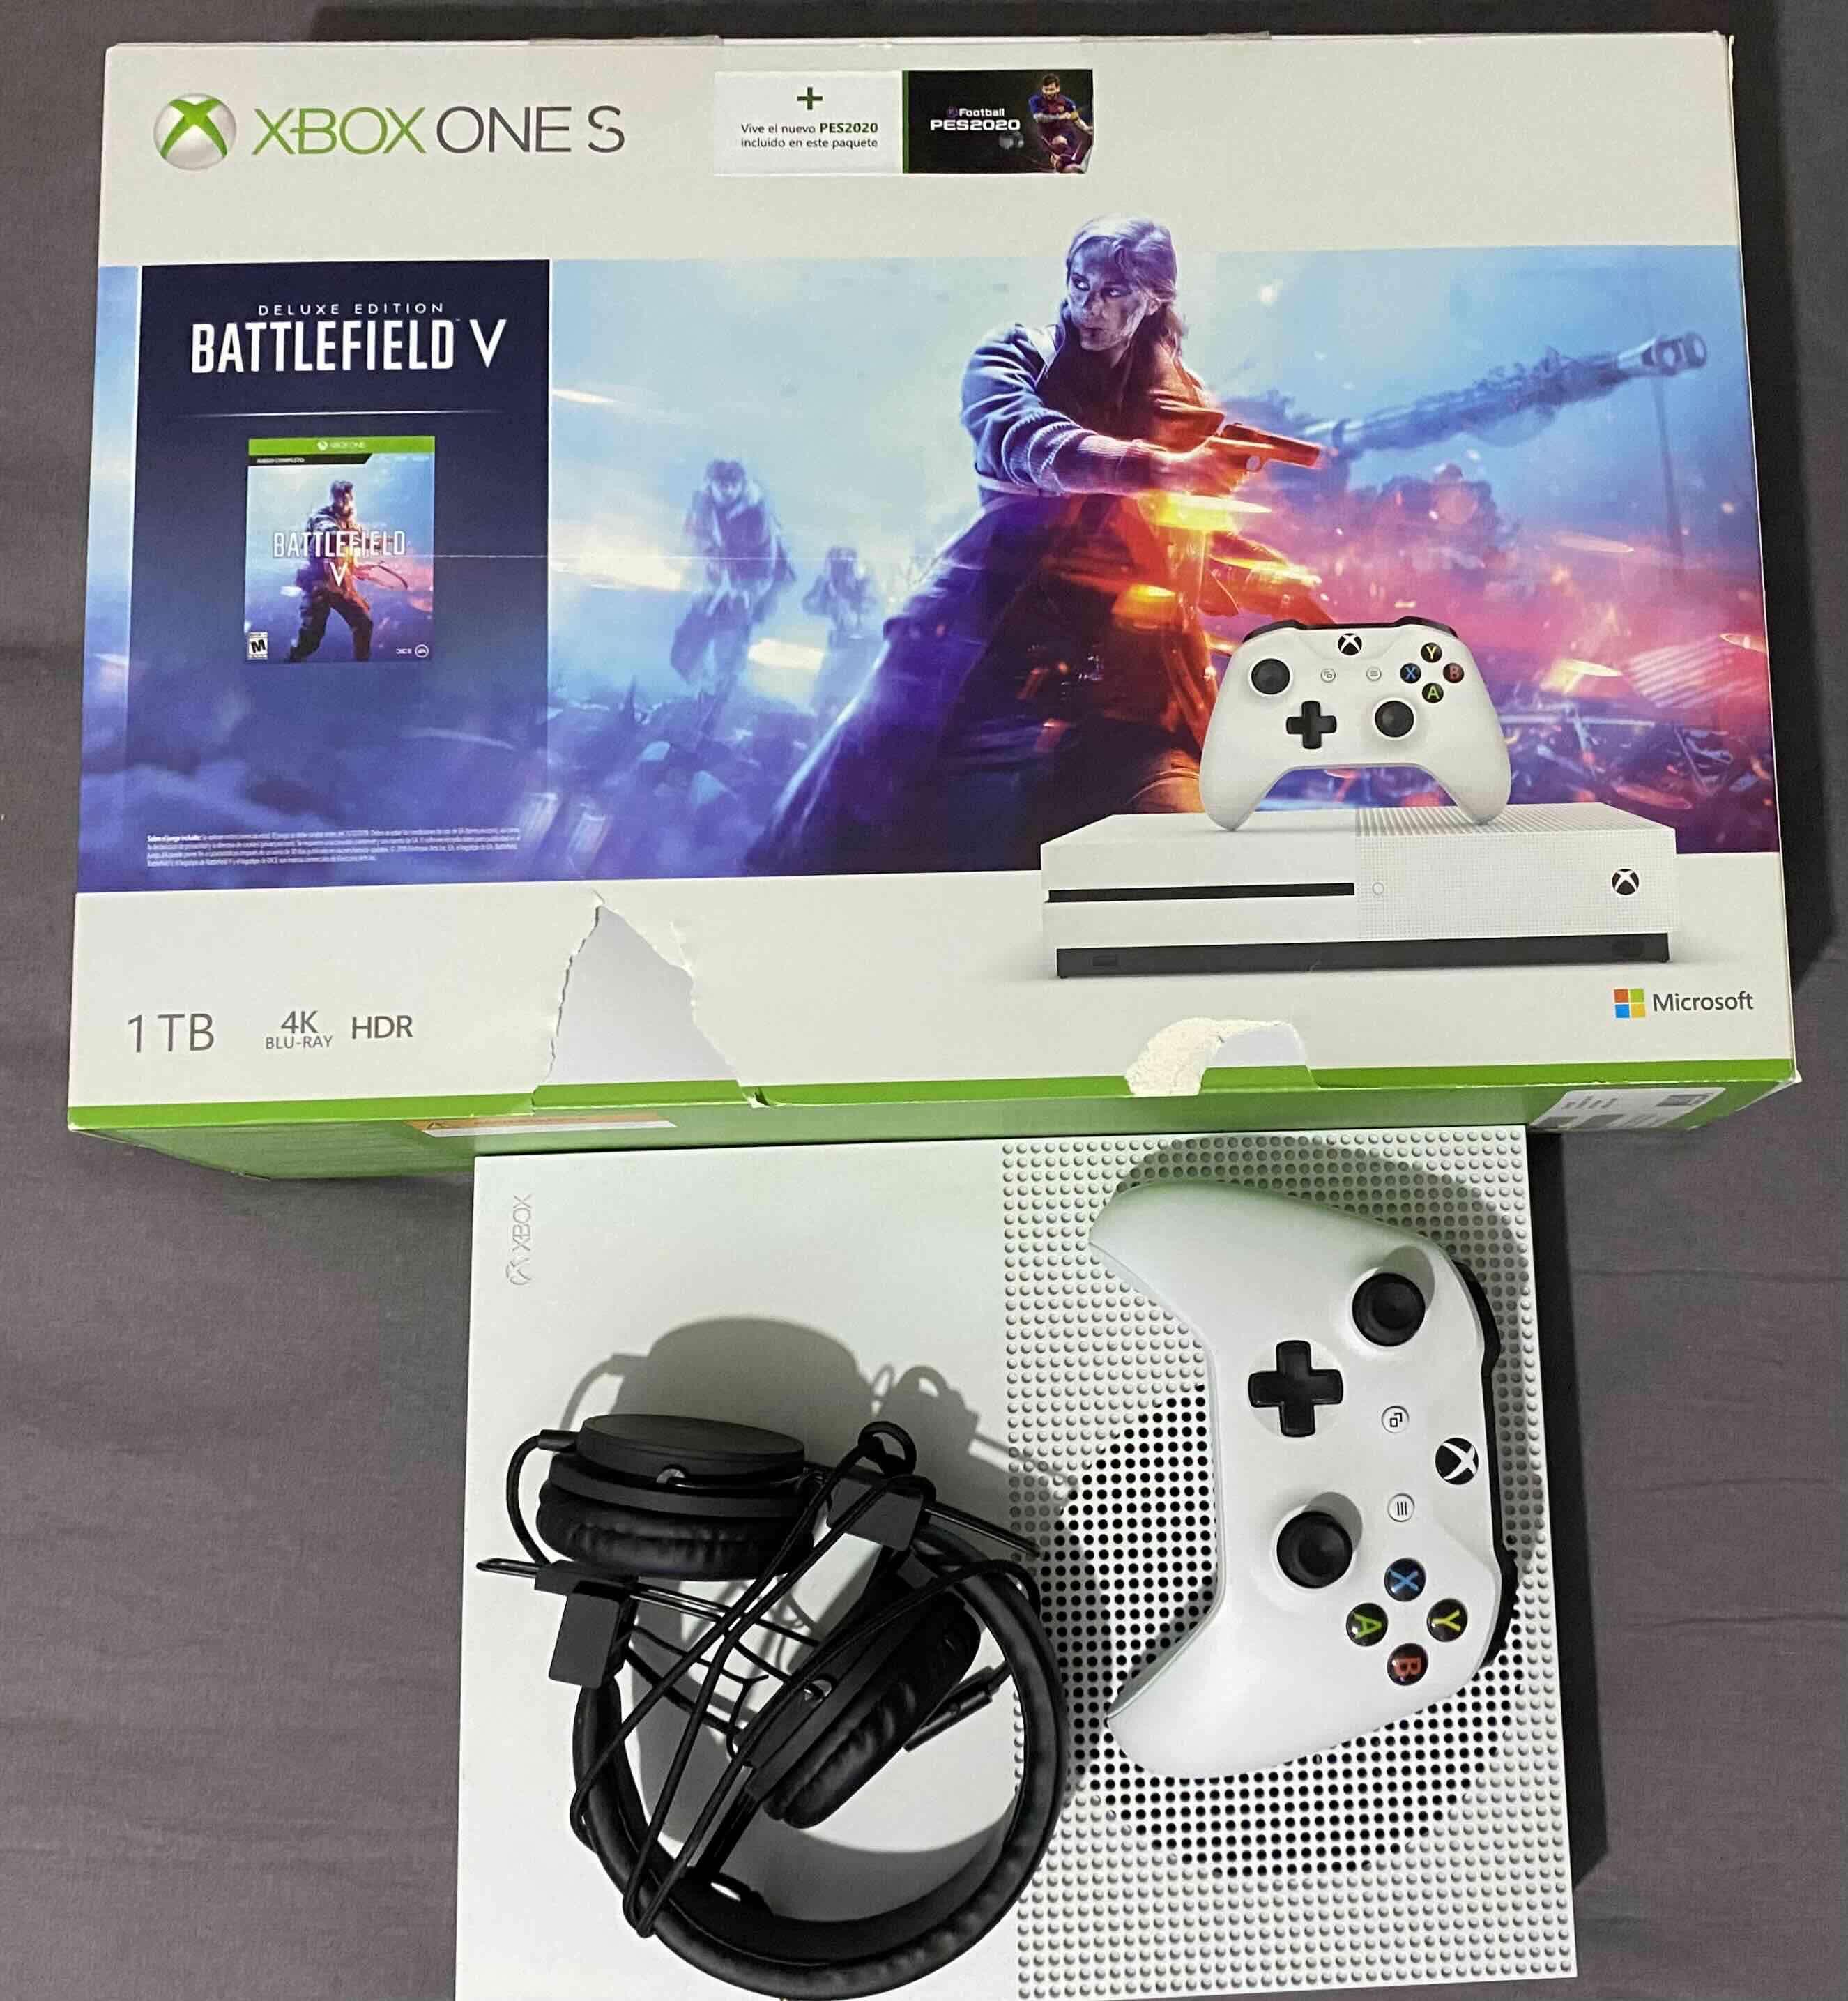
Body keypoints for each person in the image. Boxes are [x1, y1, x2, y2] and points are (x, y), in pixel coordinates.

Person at [750, 215, 1285, 874]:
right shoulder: (1015, 355)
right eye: (1078, 283)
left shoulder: (1183, 398)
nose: (1088, 306)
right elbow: (1022, 439)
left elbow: (1183, 532)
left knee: (1184, 849)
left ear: (1152, 300)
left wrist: (1256, 572)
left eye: (1113, 291)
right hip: (985, 638)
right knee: (860, 822)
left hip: (1126, 672)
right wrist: (1161, 468)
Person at [669, 459, 796, 731]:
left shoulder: (757, 515)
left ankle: (714, 710)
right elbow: (691, 537)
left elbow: (766, 567)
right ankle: (701, 695)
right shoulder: (703, 504)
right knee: (683, 651)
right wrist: (708, 562)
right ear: (711, 484)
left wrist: (746, 594)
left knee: (729, 649)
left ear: (741, 486)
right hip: (717, 579)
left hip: (752, 584)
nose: (727, 490)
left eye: (732, 485)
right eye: (722, 484)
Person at [286, 478, 373, 662]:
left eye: (348, 496)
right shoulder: (321, 518)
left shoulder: (352, 523)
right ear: (334, 497)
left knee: (364, 623)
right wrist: (365, 541)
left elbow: (345, 554)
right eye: (340, 497)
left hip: (340, 585)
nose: (345, 501)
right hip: (318, 585)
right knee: (311, 639)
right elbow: (331, 535)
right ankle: (291, 663)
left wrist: (355, 567)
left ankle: (362, 667)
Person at [803, 546, 884, 726]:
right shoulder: (831, 587)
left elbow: (858, 624)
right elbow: (810, 606)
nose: (841, 571)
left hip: (859, 656)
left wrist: (841, 599)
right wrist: (823, 582)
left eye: (845, 565)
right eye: (836, 565)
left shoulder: (865, 588)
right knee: (822, 704)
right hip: (839, 653)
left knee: (846, 706)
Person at [1028, 75, 1092, 172]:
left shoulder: (1067, 103)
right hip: (1048, 135)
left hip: (1066, 133)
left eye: (1051, 89)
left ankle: (1070, 163)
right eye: (1046, 89)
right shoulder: (1035, 100)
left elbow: (1076, 118)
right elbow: (1038, 117)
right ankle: (1063, 164)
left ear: (1057, 89)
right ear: (1042, 89)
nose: (1048, 93)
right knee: (1057, 153)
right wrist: (1060, 117)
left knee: (1061, 141)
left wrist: (1085, 128)